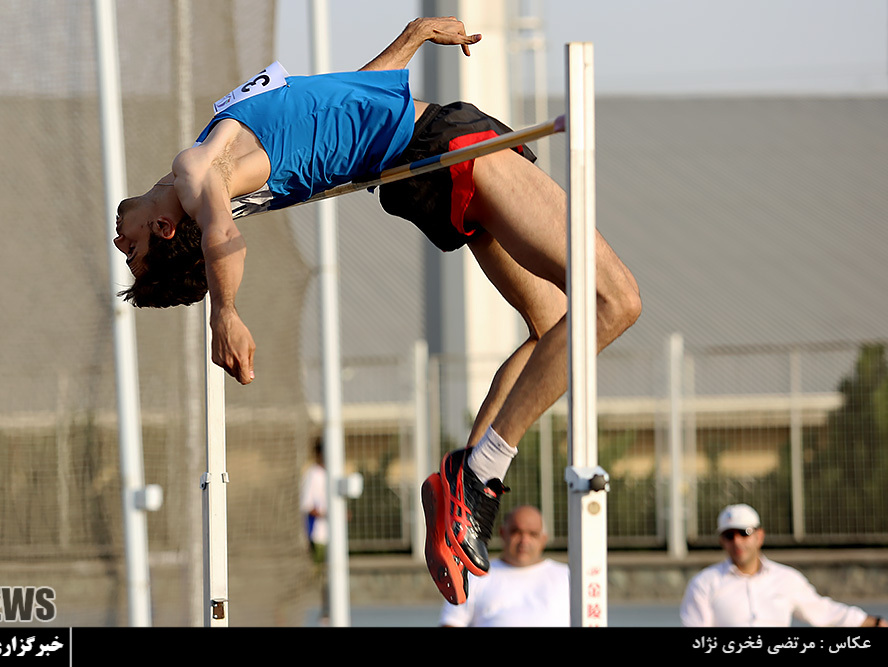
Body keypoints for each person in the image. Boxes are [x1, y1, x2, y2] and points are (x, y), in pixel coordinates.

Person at [112, 17, 641, 604]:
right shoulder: (199, 171)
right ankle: (480, 476)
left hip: (421, 158)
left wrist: (412, 38)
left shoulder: (228, 153)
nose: (118, 242)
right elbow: (219, 234)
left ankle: (466, 482)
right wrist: (225, 313)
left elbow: (345, 103)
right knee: (613, 301)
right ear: (164, 228)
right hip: (445, 145)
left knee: (552, 328)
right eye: (133, 252)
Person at [680, 504, 887, 628]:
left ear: (759, 536)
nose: (737, 542)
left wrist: (874, 623)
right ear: (721, 541)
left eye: (744, 533)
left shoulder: (786, 579)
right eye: (729, 535)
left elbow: (824, 612)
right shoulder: (704, 584)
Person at [439, 505, 569, 627]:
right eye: (516, 532)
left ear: (544, 539)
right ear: (502, 533)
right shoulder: (475, 576)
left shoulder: (567, 577)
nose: (524, 540)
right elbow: (452, 621)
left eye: (533, 534)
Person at [299, 439, 329, 624]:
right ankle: (325, 610)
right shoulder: (312, 475)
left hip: (333, 535)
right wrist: (326, 513)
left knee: (331, 573)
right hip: (318, 535)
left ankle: (329, 609)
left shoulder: (331, 472)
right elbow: (307, 505)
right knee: (321, 575)